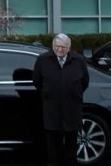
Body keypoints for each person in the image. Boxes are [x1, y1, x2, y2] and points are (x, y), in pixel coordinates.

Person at [32, 33, 89, 166]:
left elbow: (84, 82)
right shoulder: (43, 59)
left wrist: (72, 93)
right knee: (53, 144)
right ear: (53, 46)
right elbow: (37, 81)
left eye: (63, 47)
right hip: (52, 109)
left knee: (71, 144)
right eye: (57, 46)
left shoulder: (79, 61)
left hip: (72, 109)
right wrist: (49, 93)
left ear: (69, 47)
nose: (60, 50)